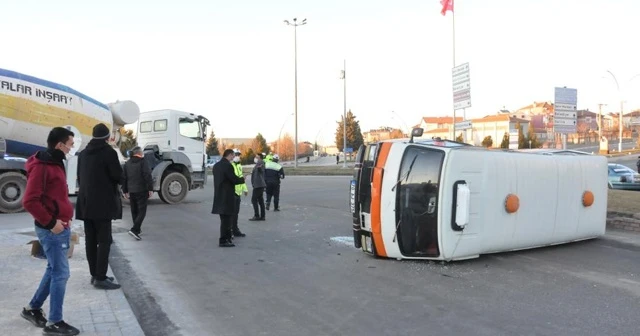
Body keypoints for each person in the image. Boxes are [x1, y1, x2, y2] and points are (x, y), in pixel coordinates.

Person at [21, 127, 80, 335]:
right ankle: (54, 322)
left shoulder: (55, 163)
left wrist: (66, 218)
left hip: (60, 226)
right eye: (70, 145)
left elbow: (57, 197)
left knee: (53, 270)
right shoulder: (43, 166)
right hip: (52, 230)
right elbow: (29, 201)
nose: (71, 149)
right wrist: (51, 223)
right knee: (61, 273)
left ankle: (32, 308)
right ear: (59, 145)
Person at [75, 123, 122, 290]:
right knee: (104, 241)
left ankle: (94, 274)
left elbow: (80, 176)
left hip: (86, 203)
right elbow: (117, 175)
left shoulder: (83, 154)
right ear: (108, 137)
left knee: (90, 240)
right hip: (103, 204)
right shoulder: (109, 152)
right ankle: (101, 277)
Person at [212, 149, 246, 247]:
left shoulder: (216, 166)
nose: (233, 158)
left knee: (224, 219)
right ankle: (224, 240)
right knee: (227, 220)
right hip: (227, 196)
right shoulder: (227, 165)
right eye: (233, 155)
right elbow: (233, 179)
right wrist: (242, 179)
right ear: (230, 155)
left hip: (219, 195)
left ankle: (227, 238)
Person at [122, 146, 154, 240]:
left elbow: (124, 178)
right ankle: (135, 229)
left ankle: (137, 229)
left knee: (134, 210)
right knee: (142, 211)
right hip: (142, 190)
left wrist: (125, 191)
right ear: (140, 153)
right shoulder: (143, 162)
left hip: (132, 191)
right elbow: (147, 175)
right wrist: (150, 189)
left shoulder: (127, 163)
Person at [231, 149, 248, 238]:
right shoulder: (231, 166)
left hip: (238, 192)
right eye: (236, 154)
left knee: (236, 213)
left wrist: (245, 189)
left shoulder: (239, 166)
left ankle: (235, 230)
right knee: (232, 213)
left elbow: (241, 177)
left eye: (239, 155)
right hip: (232, 192)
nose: (238, 156)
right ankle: (230, 231)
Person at [249, 153, 266, 221]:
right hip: (258, 184)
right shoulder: (258, 164)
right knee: (260, 200)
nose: (255, 158)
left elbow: (262, 171)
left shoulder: (260, 163)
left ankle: (257, 215)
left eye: (257, 157)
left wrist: (259, 169)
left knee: (254, 200)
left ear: (260, 158)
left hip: (258, 185)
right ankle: (262, 216)